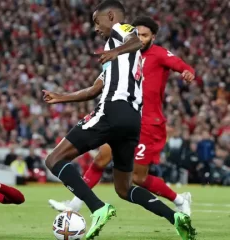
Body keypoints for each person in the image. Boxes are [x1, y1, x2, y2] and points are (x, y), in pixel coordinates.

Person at [41, 1, 196, 239]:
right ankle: (174, 217)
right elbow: (94, 90)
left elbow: (133, 39)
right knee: (124, 188)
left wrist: (114, 51)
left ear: (111, 16)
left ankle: (98, 208)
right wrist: (61, 97)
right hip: (133, 121)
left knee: (53, 159)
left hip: (112, 112)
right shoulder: (126, 60)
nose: (95, 28)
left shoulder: (122, 32)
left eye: (96, 21)